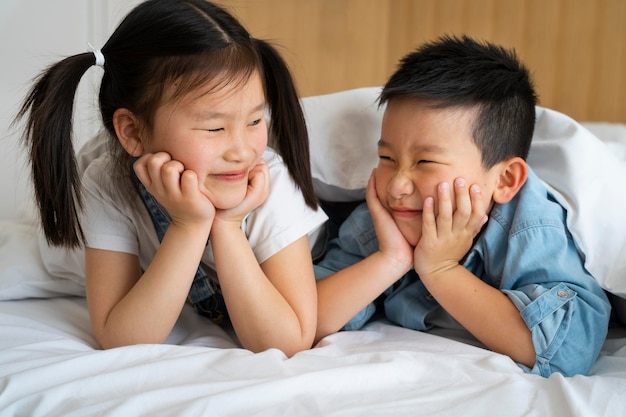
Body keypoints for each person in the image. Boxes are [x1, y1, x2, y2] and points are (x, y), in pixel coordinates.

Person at [16, 0, 328, 357]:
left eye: (255, 121)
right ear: (132, 131)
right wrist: (189, 226)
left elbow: (287, 341)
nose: (242, 150)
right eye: (214, 127)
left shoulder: (267, 180)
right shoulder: (107, 180)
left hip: (329, 249)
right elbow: (121, 338)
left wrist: (228, 225)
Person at [313, 35, 611, 377]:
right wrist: (390, 259)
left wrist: (441, 269)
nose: (397, 184)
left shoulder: (528, 225)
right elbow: (306, 320)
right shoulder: (384, 217)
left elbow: (568, 348)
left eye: (426, 161)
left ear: (504, 181)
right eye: (386, 157)